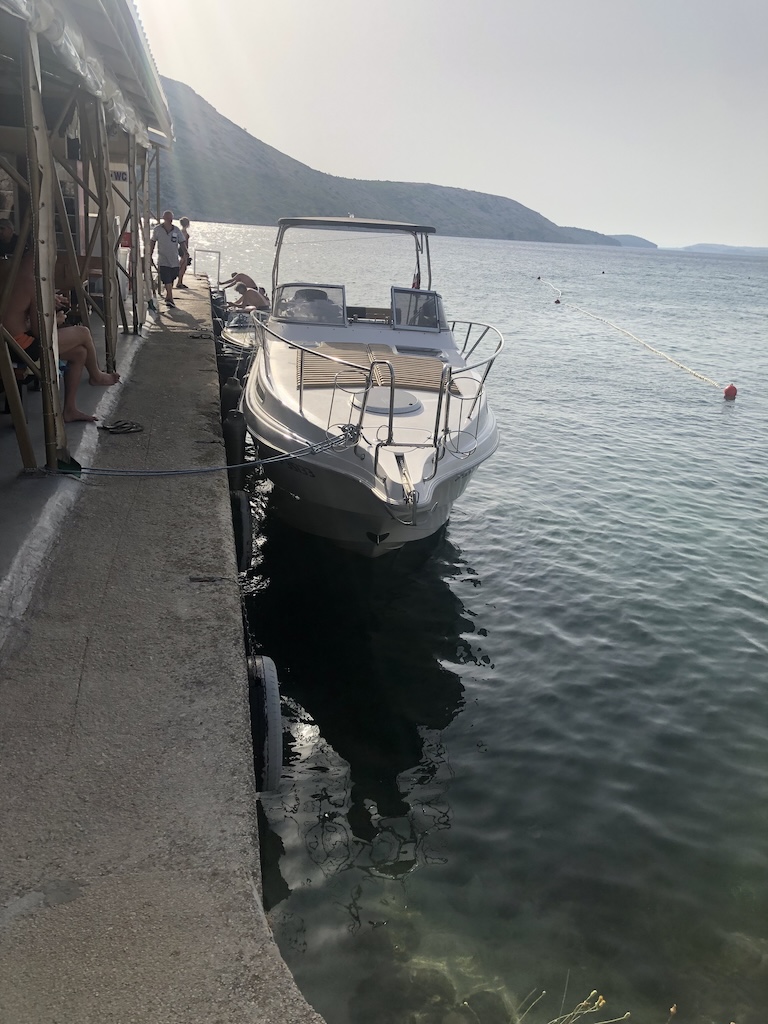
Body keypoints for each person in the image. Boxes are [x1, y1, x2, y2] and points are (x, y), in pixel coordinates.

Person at [2, 253, 119, 422]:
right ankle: (96, 375)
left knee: (79, 353)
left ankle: (70, 410)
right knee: (83, 332)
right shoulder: (31, 282)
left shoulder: (12, 274)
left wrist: (49, 299)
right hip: (20, 347)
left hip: (10, 342)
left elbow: (17, 313)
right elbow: (39, 331)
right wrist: (56, 320)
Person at [150, 210, 187, 307]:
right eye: (167, 218)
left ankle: (168, 296)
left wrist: (186, 253)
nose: (169, 220)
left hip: (174, 259)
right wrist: (150, 254)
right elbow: (152, 242)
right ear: (164, 218)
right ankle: (170, 297)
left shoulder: (176, 230)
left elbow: (182, 242)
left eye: (171, 218)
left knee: (172, 277)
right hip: (163, 259)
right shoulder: (158, 229)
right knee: (166, 278)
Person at [177, 216, 191, 289]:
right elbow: (184, 242)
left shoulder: (182, 231)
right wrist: (186, 252)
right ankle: (179, 282)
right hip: (183, 250)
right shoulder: (183, 232)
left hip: (182, 249)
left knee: (183, 266)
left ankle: (180, 281)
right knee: (183, 267)